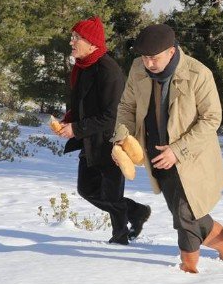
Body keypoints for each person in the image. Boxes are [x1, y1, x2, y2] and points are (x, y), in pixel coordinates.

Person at [113, 23, 223, 273]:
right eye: (144, 57)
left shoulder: (198, 74)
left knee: (184, 215)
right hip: (155, 155)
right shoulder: (138, 69)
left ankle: (188, 270)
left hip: (190, 158)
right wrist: (121, 139)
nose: (148, 63)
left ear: (171, 52)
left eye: (154, 58)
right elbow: (127, 107)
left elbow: (212, 118)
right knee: (189, 212)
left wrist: (178, 150)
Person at [56, 16, 151, 245]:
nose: (71, 42)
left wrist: (76, 128)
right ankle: (136, 212)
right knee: (86, 189)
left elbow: (112, 115)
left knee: (111, 195)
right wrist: (68, 120)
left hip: (111, 142)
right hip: (90, 140)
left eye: (76, 38)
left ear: (91, 43)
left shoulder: (108, 70)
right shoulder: (82, 67)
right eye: (72, 37)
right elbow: (83, 102)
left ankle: (120, 237)